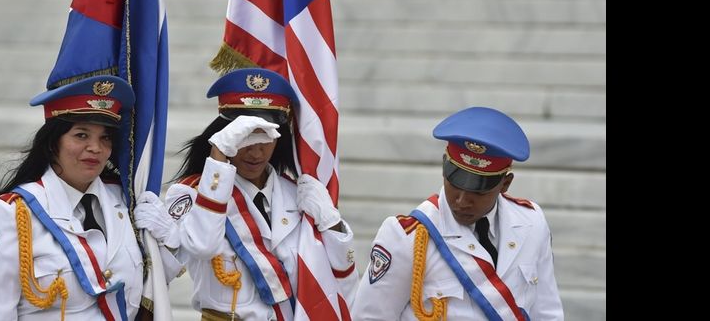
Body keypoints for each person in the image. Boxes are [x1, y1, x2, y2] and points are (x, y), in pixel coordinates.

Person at [136, 67, 358, 321]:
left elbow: (342, 276)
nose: (256, 152)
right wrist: (218, 155)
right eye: (245, 136)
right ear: (226, 134)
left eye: (265, 137)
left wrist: (333, 224)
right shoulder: (192, 193)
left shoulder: (297, 193)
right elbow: (203, 245)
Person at [0, 75, 182, 319]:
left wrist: (170, 242)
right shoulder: (14, 213)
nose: (96, 148)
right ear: (54, 142)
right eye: (81, 135)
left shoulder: (125, 201)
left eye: (105, 137)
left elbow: (152, 287)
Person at [351, 106, 564, 320]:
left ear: (505, 184)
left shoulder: (531, 222)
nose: (461, 201)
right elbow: (369, 316)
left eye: (477, 191)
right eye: (454, 182)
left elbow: (547, 312)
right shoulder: (409, 236)